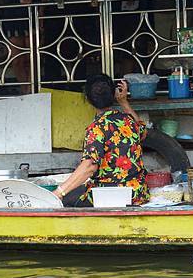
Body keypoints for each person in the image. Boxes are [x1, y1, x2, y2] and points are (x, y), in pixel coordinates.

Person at [52, 74, 149, 207]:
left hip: (110, 195)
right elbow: (142, 131)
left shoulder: (96, 128)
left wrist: (58, 193)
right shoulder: (129, 121)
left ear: (87, 99)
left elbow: (90, 166)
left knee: (65, 200)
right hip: (137, 193)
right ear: (113, 95)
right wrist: (124, 102)